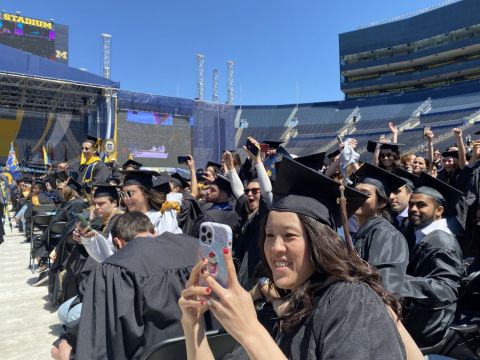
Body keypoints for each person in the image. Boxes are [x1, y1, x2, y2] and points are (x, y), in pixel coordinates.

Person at [179, 157, 413, 359]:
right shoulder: (279, 306)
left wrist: (249, 330)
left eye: (289, 235)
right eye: (269, 235)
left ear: (320, 242)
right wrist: (192, 325)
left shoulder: (352, 302)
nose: (275, 247)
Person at [75, 212, 200, 360]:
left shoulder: (113, 270)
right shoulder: (196, 246)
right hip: (210, 349)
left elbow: (103, 338)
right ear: (154, 232)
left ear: (117, 242)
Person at [403, 175, 465, 347]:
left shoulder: (441, 243)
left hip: (431, 325)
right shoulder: (425, 235)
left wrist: (397, 280)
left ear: (439, 210)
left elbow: (445, 290)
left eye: (421, 205)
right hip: (421, 315)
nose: (413, 209)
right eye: (411, 204)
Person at [353, 163, 410, 295]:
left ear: (381, 203)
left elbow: (384, 286)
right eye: (355, 191)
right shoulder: (366, 230)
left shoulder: (385, 235)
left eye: (365, 194)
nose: (357, 197)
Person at [121, 169, 183, 235]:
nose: (125, 198)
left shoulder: (159, 218)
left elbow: (168, 237)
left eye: (130, 193)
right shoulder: (123, 220)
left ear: (146, 193)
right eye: (123, 194)